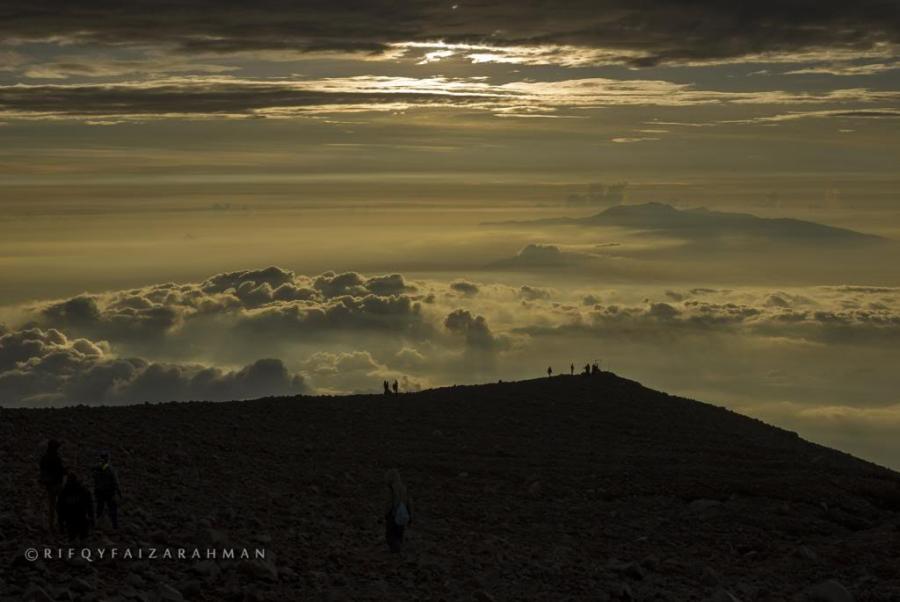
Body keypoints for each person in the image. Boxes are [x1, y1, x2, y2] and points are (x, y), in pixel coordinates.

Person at [39, 439, 66, 532]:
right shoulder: (56, 458)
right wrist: (66, 471)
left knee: (51, 505)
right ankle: (60, 524)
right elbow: (60, 470)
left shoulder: (44, 457)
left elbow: (41, 467)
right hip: (57, 483)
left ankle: (51, 525)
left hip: (49, 484)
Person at [57, 474, 94, 541]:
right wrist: (92, 518)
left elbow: (60, 508)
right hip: (79, 518)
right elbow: (90, 505)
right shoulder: (82, 490)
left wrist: (61, 523)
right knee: (81, 539)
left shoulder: (64, 491)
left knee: (73, 539)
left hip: (71, 518)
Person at [383, 469, 412, 553]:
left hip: (392, 515)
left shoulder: (390, 488)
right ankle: (398, 552)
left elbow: (389, 503)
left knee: (390, 535)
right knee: (399, 534)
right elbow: (409, 502)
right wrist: (410, 515)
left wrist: (385, 513)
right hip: (402, 515)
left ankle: (395, 551)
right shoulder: (404, 488)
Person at [92, 450, 121, 530]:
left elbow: (95, 479)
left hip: (99, 492)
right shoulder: (109, 469)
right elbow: (115, 481)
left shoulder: (96, 468)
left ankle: (98, 524)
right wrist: (118, 492)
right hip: (108, 492)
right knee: (112, 509)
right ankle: (115, 526)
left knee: (99, 508)